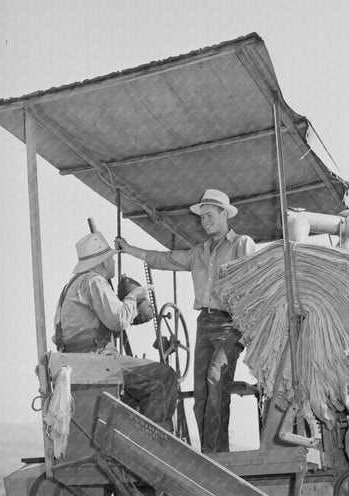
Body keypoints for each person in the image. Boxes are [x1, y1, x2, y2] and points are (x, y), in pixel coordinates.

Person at [116, 189, 256, 453]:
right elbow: (163, 259)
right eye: (202, 217)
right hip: (205, 323)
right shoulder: (198, 252)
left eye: (209, 215)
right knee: (201, 393)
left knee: (216, 380)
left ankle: (219, 455)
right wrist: (129, 249)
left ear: (225, 214)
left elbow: (255, 283)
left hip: (231, 325)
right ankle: (208, 454)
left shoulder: (242, 245)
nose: (204, 221)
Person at [52, 231, 178, 431]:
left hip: (78, 359)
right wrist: (133, 297)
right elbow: (118, 320)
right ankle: (155, 446)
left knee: (134, 395)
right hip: (95, 359)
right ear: (102, 263)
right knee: (163, 378)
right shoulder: (94, 281)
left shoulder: (73, 284)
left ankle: (130, 440)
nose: (113, 262)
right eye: (110, 258)